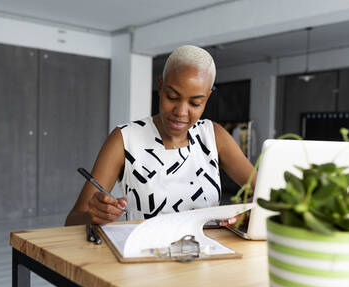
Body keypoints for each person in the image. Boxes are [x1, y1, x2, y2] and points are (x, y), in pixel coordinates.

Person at [65, 45, 255, 226]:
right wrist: (94, 215)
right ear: (161, 86)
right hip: (145, 256)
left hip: (206, 254)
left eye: (195, 103)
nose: (181, 112)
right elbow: (72, 221)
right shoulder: (125, 139)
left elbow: (265, 193)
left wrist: (250, 213)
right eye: (172, 97)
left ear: (208, 97)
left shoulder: (213, 136)